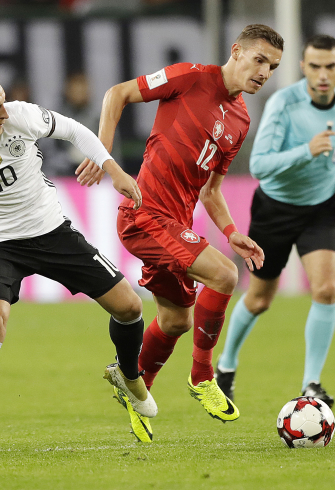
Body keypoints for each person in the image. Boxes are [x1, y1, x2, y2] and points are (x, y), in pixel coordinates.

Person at [0, 62, 157, 459]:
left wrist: (113, 170)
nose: (4, 114)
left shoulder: (20, 115)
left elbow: (74, 129)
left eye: (3, 103)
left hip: (51, 231)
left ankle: (128, 374)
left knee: (129, 307)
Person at [76, 24, 283, 442]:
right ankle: (202, 376)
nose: (264, 72)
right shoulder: (191, 77)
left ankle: (137, 391)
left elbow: (211, 191)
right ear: (236, 52)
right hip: (144, 215)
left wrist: (231, 231)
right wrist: (103, 155)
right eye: (259, 60)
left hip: (175, 223)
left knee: (175, 321)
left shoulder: (241, 120)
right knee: (225, 275)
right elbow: (116, 94)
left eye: (273, 66)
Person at [216, 34, 335, 408]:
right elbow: (259, 165)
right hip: (275, 209)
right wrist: (306, 150)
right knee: (260, 298)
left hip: (319, 208)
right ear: (303, 68)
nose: (322, 74)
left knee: (326, 290)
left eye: (330, 66)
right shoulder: (284, 103)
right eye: (314, 66)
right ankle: (226, 366)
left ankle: (311, 383)